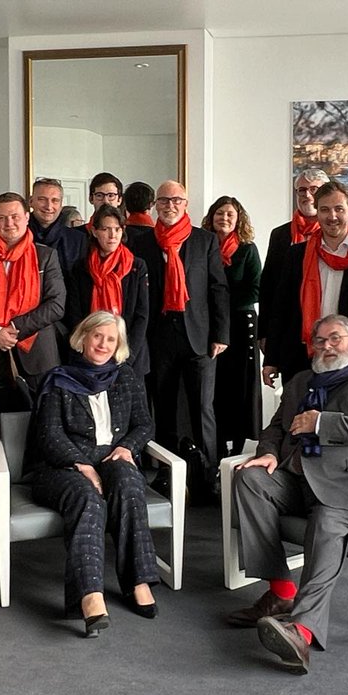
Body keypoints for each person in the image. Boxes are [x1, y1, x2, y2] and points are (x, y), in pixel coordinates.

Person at [226, 314, 348, 674]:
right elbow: (276, 427)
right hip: (299, 477)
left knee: (326, 519)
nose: (325, 346)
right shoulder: (300, 382)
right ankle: (280, 592)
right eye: (319, 340)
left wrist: (321, 422)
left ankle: (302, 631)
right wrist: (268, 454)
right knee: (248, 478)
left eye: (335, 339)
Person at [29, 312, 159, 636]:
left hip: (112, 458)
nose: (103, 344)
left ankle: (138, 581)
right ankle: (90, 596)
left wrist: (128, 447)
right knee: (88, 498)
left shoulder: (126, 377)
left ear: (118, 346)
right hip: (62, 467)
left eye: (110, 339)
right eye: (97, 336)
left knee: (129, 483)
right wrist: (82, 464)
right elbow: (49, 435)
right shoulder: (58, 379)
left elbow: (145, 424)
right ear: (83, 337)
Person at [0, 191, 65, 504]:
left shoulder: (45, 256)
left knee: (39, 424)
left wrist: (14, 330)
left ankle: (38, 489)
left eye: (15, 216)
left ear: (27, 217)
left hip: (35, 357)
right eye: (2, 217)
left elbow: (57, 304)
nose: (9, 223)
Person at [129, 180, 229, 495]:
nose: (170, 205)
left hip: (199, 336)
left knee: (203, 409)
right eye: (164, 200)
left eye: (177, 200)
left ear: (186, 204)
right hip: (158, 337)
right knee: (164, 408)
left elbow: (218, 289)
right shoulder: (141, 243)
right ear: (155, 205)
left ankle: (209, 477)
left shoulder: (205, 241)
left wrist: (221, 333)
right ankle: (168, 475)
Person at [262, 181, 348, 387]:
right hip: (299, 356)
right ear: (317, 212)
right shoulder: (296, 256)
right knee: (297, 418)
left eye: (339, 209)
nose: (332, 217)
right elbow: (280, 310)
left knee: (341, 419)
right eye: (325, 210)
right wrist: (271, 360)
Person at [202, 196, 262, 456]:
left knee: (240, 386)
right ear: (211, 217)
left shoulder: (247, 249)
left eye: (229, 214)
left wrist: (221, 301)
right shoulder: (201, 245)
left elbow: (256, 288)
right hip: (210, 326)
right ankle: (216, 447)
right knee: (215, 387)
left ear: (238, 219)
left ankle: (237, 446)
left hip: (240, 324)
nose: (224, 218)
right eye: (219, 213)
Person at [64, 205, 150, 378]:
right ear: (94, 231)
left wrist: (127, 354)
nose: (112, 235)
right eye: (106, 229)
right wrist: (89, 350)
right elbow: (75, 314)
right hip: (89, 355)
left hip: (130, 355)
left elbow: (142, 314)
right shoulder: (81, 268)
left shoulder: (136, 266)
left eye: (117, 229)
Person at [259, 168, 328, 336]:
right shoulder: (280, 234)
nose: (307, 195)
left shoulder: (346, 230)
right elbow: (268, 285)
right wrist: (264, 333)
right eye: (302, 190)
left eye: (314, 189)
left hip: (329, 321)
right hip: (288, 324)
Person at [29, 177, 88, 274]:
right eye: (42, 199)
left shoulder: (78, 240)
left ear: (61, 204)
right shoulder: (18, 236)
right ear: (31, 201)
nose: (48, 206)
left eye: (55, 200)